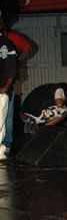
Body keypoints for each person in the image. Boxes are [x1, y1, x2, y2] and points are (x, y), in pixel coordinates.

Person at [0, 13, 35, 153]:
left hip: (7, 79)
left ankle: (6, 143)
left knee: (7, 112)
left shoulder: (11, 38)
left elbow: (29, 48)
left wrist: (17, 61)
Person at [0, 31, 18, 160]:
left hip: (3, 90)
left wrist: (5, 88)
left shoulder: (6, 44)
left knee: (4, 119)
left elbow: (12, 70)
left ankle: (5, 145)